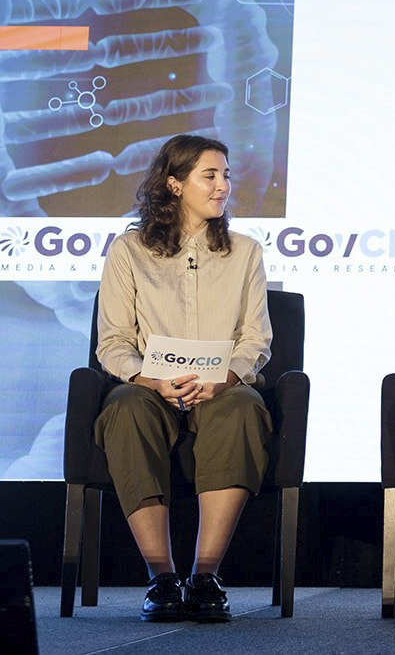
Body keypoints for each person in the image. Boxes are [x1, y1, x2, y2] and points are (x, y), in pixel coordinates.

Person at [93, 134, 273, 623]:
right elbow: (113, 342)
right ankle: (163, 578)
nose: (223, 186)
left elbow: (256, 338)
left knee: (243, 408)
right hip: (152, 387)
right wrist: (150, 380)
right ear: (174, 184)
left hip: (220, 388)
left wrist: (226, 379)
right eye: (209, 176)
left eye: (226, 176)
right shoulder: (129, 251)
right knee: (125, 407)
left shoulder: (246, 252)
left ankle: (205, 576)